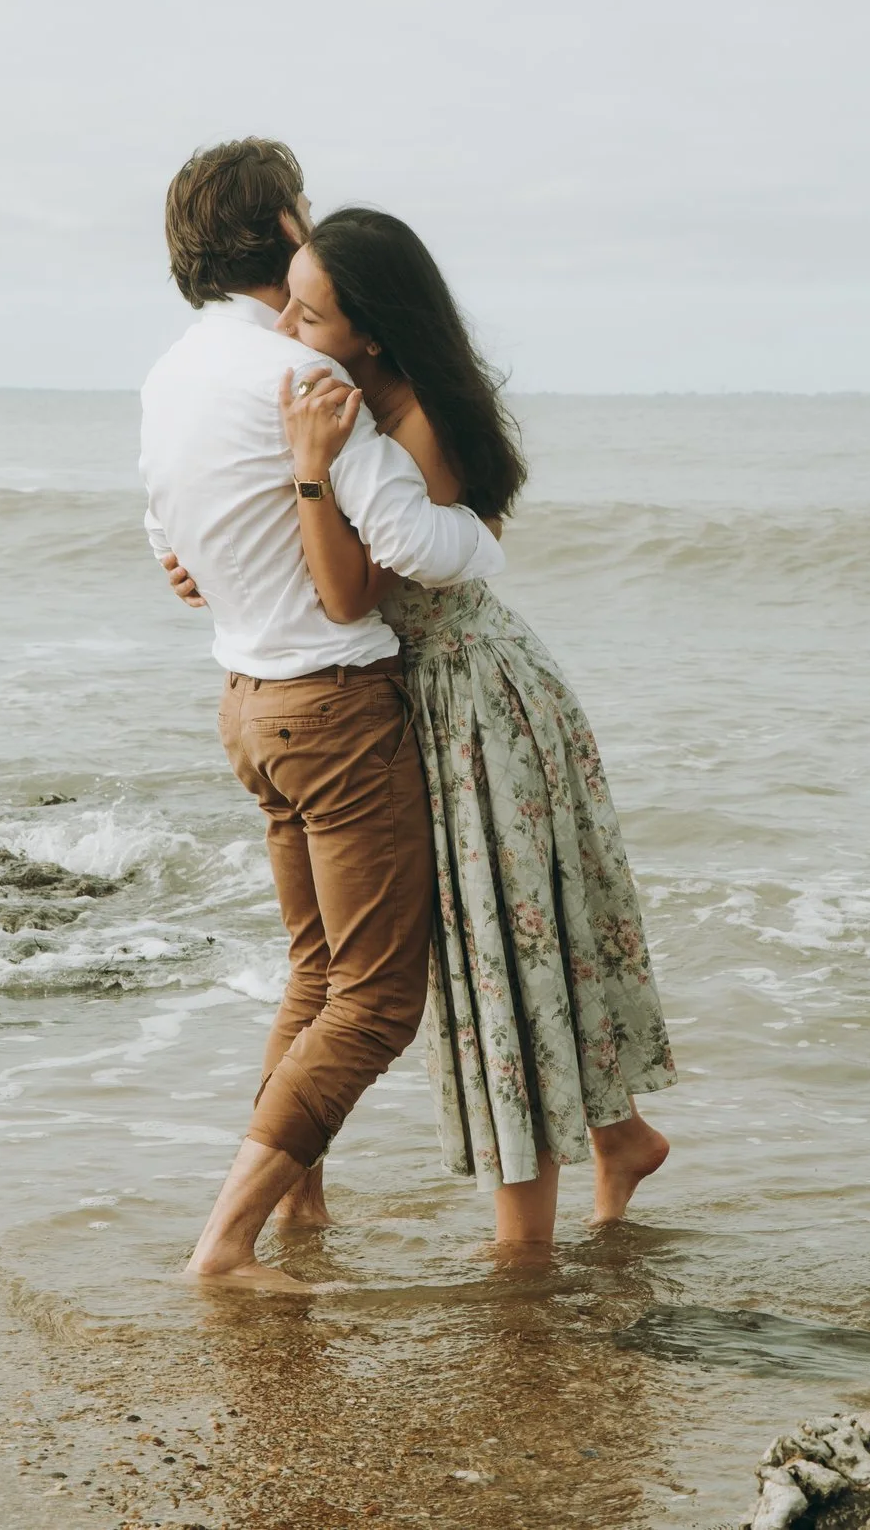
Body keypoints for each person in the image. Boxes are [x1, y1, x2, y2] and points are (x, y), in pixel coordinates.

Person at [267, 206, 678, 1249]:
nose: (285, 332)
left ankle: (521, 1266)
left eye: (307, 314)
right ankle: (617, 1137)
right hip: (460, 698)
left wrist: (311, 467)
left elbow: (348, 592)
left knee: (500, 964)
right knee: (512, 952)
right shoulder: (389, 400)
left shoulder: (420, 430)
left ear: (370, 328)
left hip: (475, 716)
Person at [138, 140, 506, 1287]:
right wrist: (484, 541)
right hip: (334, 707)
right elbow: (411, 542)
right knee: (379, 995)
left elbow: (166, 529)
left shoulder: (173, 373)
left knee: (314, 973)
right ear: (290, 226)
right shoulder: (306, 384)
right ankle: (227, 1239)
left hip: (248, 704)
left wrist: (199, 562)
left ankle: (299, 1207)